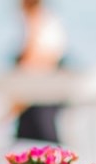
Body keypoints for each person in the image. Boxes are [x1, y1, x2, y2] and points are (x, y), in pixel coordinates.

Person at [13, 0, 67, 144]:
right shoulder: (43, 23)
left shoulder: (42, 23)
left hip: (39, 98)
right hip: (36, 96)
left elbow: (39, 62)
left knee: (40, 142)